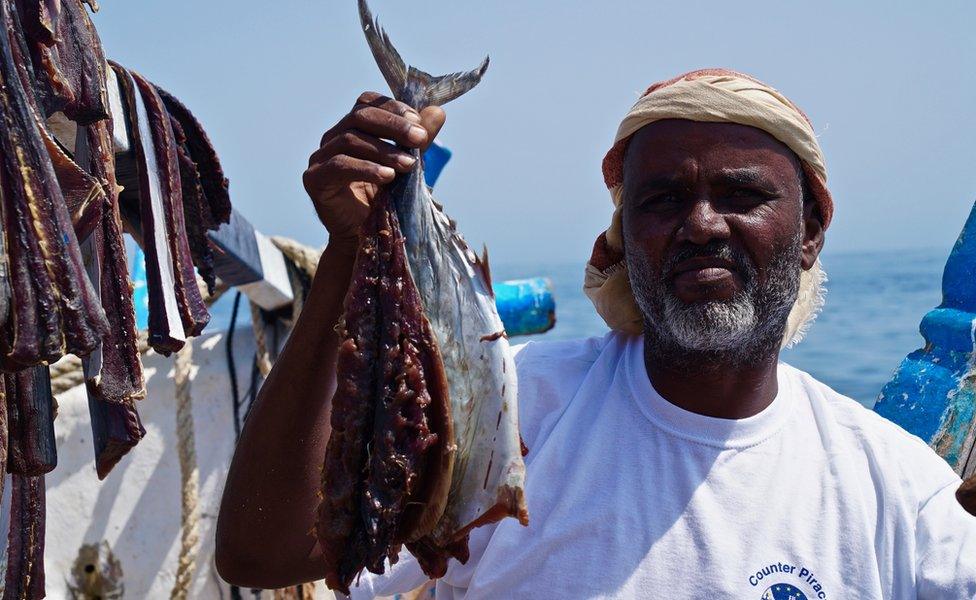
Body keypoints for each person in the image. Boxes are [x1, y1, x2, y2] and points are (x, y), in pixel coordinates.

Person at [214, 69, 976, 599]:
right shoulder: (516, 409)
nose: (702, 225)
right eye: (664, 198)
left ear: (810, 233)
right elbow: (264, 552)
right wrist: (350, 251)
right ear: (623, 232)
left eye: (742, 196)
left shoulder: (898, 491)